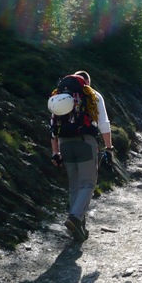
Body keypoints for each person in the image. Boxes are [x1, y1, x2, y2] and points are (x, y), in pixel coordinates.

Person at [50, 71, 113, 243]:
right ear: (87, 82)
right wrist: (109, 148)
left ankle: (79, 229)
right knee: (88, 183)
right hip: (85, 142)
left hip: (64, 143)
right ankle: (75, 218)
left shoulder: (60, 95)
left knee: (75, 185)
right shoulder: (91, 94)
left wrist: (55, 152)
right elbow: (103, 123)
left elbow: (53, 126)